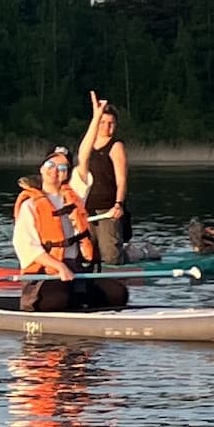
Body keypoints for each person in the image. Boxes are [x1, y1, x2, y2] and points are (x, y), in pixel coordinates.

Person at [70, 93, 134, 311]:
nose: (108, 127)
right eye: (104, 122)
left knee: (110, 255)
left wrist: (119, 204)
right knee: (89, 253)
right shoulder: (87, 148)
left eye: (112, 123)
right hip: (87, 210)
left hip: (109, 208)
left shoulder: (116, 147)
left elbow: (122, 179)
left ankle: (133, 253)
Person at [10, 171, 82, 312]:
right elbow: (27, 247)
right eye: (51, 165)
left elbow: (84, 172)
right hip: (44, 273)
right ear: (42, 170)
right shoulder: (30, 205)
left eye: (62, 167)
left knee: (117, 293)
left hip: (76, 270)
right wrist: (60, 266)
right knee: (58, 298)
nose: (55, 170)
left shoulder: (75, 200)